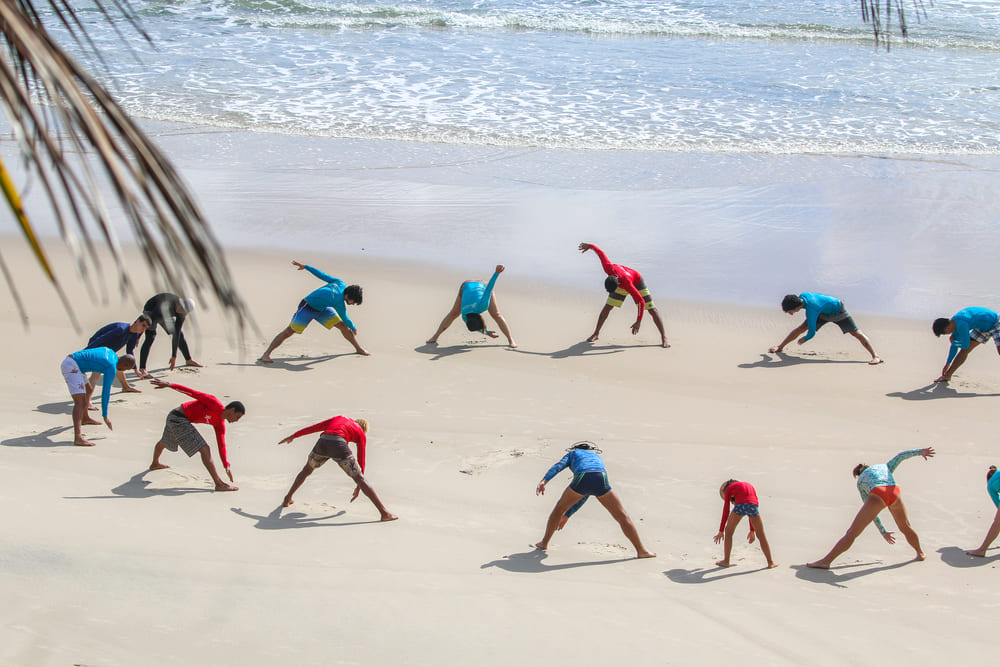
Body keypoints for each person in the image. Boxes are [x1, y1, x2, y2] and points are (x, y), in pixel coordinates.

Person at [807, 447, 935, 569]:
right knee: (906, 527)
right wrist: (920, 452)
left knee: (852, 533)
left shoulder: (861, 481)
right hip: (894, 490)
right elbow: (900, 456)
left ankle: (826, 561)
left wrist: (883, 532)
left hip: (878, 492)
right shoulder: (884, 467)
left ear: (858, 474)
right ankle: (920, 553)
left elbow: (871, 512)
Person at [534, 441, 655, 558]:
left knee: (558, 510)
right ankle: (642, 550)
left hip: (583, 475)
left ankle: (544, 543)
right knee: (621, 515)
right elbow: (585, 494)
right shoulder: (596, 456)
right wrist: (568, 515)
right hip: (601, 477)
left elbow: (558, 466)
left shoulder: (573, 453)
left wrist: (545, 480)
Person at [278, 415, 397, 521]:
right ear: (363, 429)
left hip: (322, 443)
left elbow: (315, 427)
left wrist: (294, 436)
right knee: (359, 478)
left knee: (306, 470)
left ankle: (287, 498)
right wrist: (359, 484)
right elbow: (361, 458)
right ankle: (384, 513)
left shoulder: (338, 418)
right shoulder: (360, 433)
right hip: (339, 445)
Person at [260, 261, 369, 362]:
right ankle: (266, 355)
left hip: (322, 309)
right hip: (307, 307)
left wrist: (306, 267)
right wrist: (353, 328)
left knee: (343, 326)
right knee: (289, 331)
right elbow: (345, 317)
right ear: (347, 295)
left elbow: (322, 275)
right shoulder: (338, 302)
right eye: (353, 301)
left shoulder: (340, 283)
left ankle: (358, 349)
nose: (353, 304)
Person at [148, 379, 243, 492]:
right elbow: (193, 393)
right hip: (178, 417)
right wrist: (170, 385)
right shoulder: (214, 403)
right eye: (237, 417)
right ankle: (218, 484)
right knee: (205, 449)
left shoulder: (220, 424)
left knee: (165, 441)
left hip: (174, 418)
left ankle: (154, 464)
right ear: (232, 410)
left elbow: (221, 444)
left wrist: (226, 465)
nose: (236, 420)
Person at [578, 242, 668, 348]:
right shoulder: (608, 268)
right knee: (607, 307)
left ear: (618, 286)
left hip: (636, 281)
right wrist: (590, 246)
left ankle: (664, 337)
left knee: (652, 310)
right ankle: (596, 333)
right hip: (621, 278)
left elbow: (641, 301)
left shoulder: (628, 285)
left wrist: (638, 321)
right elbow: (600, 253)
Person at [769, 293, 882, 364]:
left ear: (797, 307)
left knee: (855, 333)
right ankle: (780, 347)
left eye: (790, 311)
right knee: (801, 328)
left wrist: (805, 339)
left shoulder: (811, 310)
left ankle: (875, 356)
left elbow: (812, 332)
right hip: (821, 312)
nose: (791, 314)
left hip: (838, 311)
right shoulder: (802, 298)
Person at [425, 264, 517, 348]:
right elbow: (474, 325)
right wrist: (487, 333)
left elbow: (488, 289)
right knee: (454, 313)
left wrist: (496, 273)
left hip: (480, 285)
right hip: (466, 285)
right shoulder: (466, 315)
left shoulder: (481, 306)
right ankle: (435, 336)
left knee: (496, 314)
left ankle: (510, 339)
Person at [60, 347, 135, 446]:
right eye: (126, 369)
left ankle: (85, 418)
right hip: (72, 366)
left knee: (88, 390)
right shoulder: (111, 366)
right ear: (125, 365)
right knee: (80, 402)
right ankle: (78, 437)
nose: (124, 371)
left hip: (75, 363)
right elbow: (106, 392)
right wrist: (105, 416)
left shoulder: (111, 353)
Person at [84, 315, 152, 404]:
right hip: (98, 349)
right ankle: (86, 402)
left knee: (119, 366)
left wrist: (135, 369)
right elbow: (99, 340)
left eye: (146, 328)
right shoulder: (120, 329)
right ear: (138, 321)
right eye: (143, 325)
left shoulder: (134, 334)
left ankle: (125, 387)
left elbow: (130, 351)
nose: (143, 330)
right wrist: (84, 352)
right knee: (95, 375)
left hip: (108, 353)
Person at [714, 479, 777, 569]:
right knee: (761, 535)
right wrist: (752, 531)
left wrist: (721, 530)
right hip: (753, 507)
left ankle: (726, 561)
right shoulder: (749, 485)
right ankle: (770, 562)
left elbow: (726, 510)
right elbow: (751, 505)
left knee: (728, 532)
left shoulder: (729, 489)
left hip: (740, 506)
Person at [138, 293, 202, 376]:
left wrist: (174, 356)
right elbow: (151, 318)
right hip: (151, 311)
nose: (180, 311)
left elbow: (177, 333)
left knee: (180, 335)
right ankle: (142, 368)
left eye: (184, 311)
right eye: (181, 308)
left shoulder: (182, 313)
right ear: (179, 303)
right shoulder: (166, 304)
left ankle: (188, 360)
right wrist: (139, 335)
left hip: (165, 315)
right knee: (150, 337)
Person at [932, 307, 1000, 383]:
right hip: (982, 328)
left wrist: (954, 342)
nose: (946, 334)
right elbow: (954, 347)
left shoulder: (961, 325)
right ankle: (947, 376)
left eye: (944, 333)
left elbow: (965, 345)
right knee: (964, 351)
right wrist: (948, 363)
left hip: (996, 322)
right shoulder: (954, 324)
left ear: (947, 328)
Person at [965, 465, 1000, 558]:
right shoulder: (998, 475)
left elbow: (998, 503)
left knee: (997, 523)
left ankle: (982, 550)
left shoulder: (990, 485)